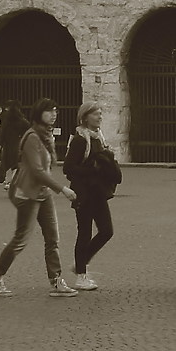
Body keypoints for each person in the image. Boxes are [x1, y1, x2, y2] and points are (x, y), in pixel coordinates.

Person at [0, 99, 76, 298]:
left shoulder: (45, 136)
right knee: (21, 239)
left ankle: (56, 280)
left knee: (53, 238)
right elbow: (37, 170)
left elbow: (51, 164)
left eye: (55, 111)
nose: (53, 114)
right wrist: (63, 189)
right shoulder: (32, 136)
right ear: (38, 113)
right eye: (49, 111)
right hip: (28, 193)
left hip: (43, 193)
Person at [62, 104, 123, 290]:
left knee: (107, 231)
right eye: (96, 114)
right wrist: (92, 170)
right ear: (85, 117)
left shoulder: (99, 138)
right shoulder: (80, 140)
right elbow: (68, 167)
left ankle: (81, 262)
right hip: (84, 193)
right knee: (84, 233)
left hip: (98, 192)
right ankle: (81, 275)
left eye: (100, 113)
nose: (100, 117)